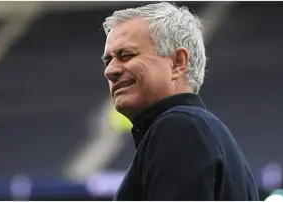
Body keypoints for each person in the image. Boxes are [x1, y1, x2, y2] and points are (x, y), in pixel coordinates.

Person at [101, 2, 259, 201]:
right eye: (108, 61)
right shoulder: (200, 130)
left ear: (177, 63)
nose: (109, 71)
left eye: (126, 55)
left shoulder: (179, 126)